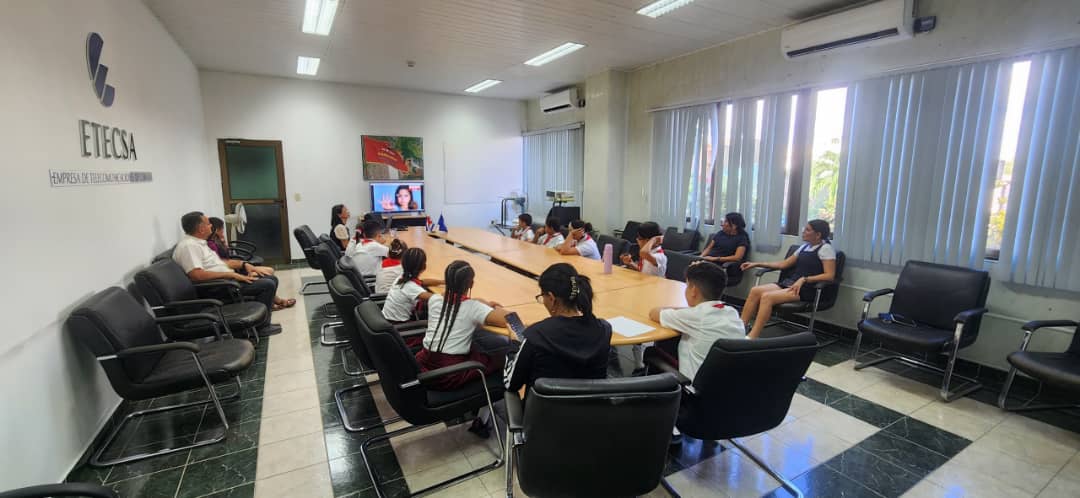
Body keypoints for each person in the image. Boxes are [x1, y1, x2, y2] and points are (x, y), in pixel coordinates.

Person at [503, 263, 612, 393]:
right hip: (591, 411)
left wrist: (514, 344)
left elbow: (510, 384)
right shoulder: (604, 329)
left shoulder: (536, 335)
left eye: (542, 297)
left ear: (551, 298)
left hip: (543, 413)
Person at [173, 211, 282, 335]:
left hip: (226, 281)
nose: (211, 226)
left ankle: (259, 323)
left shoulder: (199, 243)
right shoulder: (189, 246)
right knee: (267, 285)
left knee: (270, 278)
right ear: (201, 228)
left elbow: (220, 263)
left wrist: (244, 265)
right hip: (216, 287)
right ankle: (260, 327)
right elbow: (197, 275)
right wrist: (231, 275)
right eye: (208, 224)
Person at [415, 260, 513, 392]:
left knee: (480, 344)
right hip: (449, 375)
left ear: (447, 281)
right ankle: (494, 401)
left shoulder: (434, 300)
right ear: (471, 283)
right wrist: (490, 306)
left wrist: (481, 303)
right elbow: (509, 319)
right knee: (503, 357)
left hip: (424, 365)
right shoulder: (473, 308)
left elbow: (452, 299)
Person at [646, 261, 745, 381]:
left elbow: (654, 313)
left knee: (651, 352)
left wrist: (677, 309)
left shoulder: (695, 316)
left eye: (687, 285)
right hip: (724, 385)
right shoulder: (732, 312)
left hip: (692, 391)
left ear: (693, 291)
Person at [740, 219, 837, 339]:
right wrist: (756, 263)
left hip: (807, 289)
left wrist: (804, 279)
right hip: (791, 284)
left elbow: (829, 275)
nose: (803, 232)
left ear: (818, 235)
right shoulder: (804, 247)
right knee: (755, 291)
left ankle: (753, 336)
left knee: (767, 297)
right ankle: (741, 327)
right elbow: (783, 264)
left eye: (807, 230)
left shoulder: (826, 249)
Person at [208, 217, 294, 310]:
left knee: (270, 274)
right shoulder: (210, 245)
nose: (223, 231)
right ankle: (272, 304)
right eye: (222, 229)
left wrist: (223, 240)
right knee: (268, 277)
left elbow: (226, 257)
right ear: (216, 229)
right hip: (229, 278)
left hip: (233, 272)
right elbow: (222, 262)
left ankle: (272, 302)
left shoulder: (217, 242)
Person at [700, 212, 750, 279]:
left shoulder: (741, 238)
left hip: (722, 266)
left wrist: (716, 259)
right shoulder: (720, 233)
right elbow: (709, 248)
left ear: (734, 226)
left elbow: (737, 257)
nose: (722, 224)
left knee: (699, 274)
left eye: (726, 221)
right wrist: (700, 257)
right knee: (689, 265)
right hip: (708, 261)